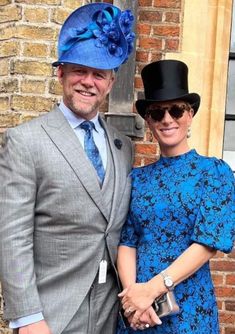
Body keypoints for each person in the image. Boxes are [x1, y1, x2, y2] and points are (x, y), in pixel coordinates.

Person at [0, 2, 136, 334]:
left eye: (99, 74)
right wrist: (29, 318)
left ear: (110, 81)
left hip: (108, 315)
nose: (88, 82)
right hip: (50, 316)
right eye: (80, 70)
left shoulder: (123, 147)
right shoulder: (25, 141)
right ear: (60, 72)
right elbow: (11, 237)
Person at [116, 59, 235, 333]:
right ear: (148, 120)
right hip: (139, 313)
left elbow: (208, 242)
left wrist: (153, 290)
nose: (167, 119)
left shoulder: (213, 172)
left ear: (190, 114)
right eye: (157, 113)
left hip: (189, 306)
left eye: (176, 110)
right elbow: (127, 241)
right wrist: (134, 297)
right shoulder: (138, 178)